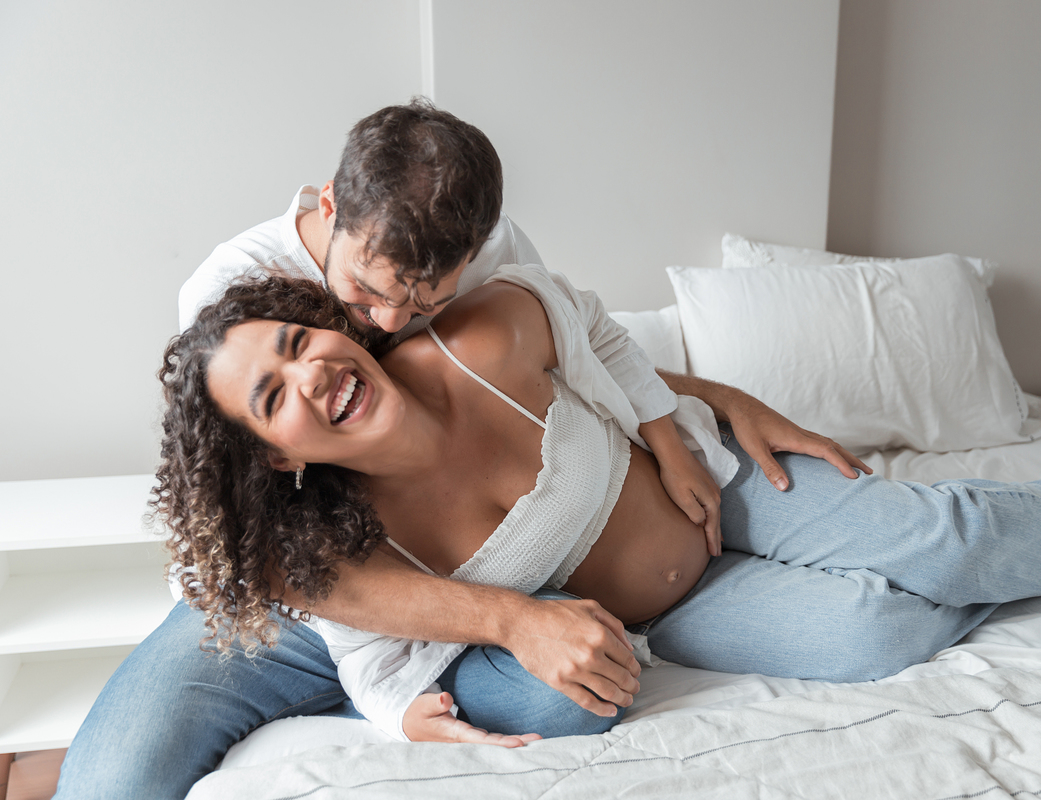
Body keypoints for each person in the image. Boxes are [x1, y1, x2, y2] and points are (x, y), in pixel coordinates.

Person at [55, 101, 868, 798]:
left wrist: (712, 402)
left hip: (462, 560)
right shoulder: (229, 286)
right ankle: (357, 689)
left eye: (421, 305)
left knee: (567, 694)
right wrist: (491, 630)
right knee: (113, 779)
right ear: (331, 207)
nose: (386, 323)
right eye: (363, 293)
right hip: (302, 590)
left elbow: (572, 354)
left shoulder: (476, 240)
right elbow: (265, 546)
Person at [158, 275, 1041, 746]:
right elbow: (368, 654)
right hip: (675, 609)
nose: (311, 374)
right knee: (879, 635)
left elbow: (601, 336)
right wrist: (393, 718)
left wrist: (682, 428)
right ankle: (982, 553)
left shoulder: (483, 337)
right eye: (272, 396)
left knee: (944, 542)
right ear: (277, 456)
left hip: (724, 489)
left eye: (297, 342)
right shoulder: (343, 546)